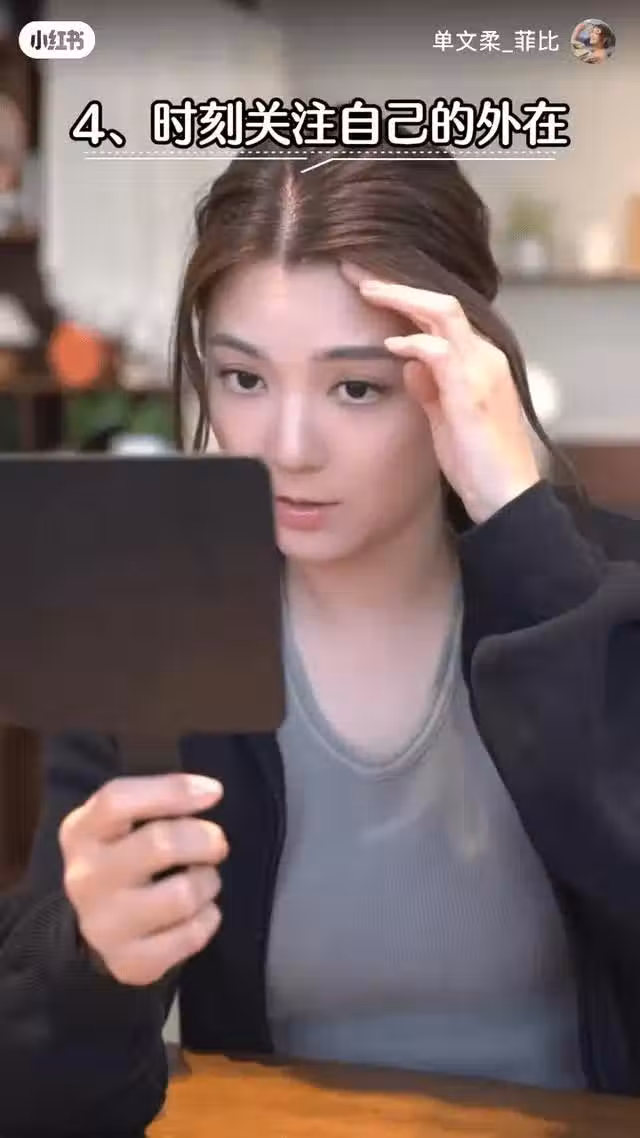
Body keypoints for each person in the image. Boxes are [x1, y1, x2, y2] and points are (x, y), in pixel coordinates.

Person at [1, 141, 640, 1137]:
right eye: (243, 378)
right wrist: (87, 961)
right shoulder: (153, 628)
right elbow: (38, 1094)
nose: (288, 448)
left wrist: (526, 539)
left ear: (460, 373)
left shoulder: (597, 593)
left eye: (356, 388)